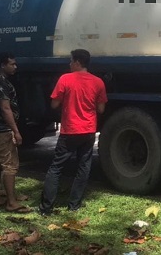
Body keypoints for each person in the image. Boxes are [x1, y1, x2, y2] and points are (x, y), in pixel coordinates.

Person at [39, 49, 107, 215]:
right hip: (88, 130)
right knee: (83, 167)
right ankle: (74, 205)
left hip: (70, 130)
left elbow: (54, 104)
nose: (69, 64)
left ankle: (46, 207)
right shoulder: (98, 82)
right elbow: (101, 109)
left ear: (77, 62)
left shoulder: (65, 79)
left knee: (56, 167)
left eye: (70, 61)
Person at [0, 52, 31, 213]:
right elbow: (6, 109)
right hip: (2, 131)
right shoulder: (2, 84)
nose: (15, 67)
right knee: (10, 165)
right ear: (2, 65)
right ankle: (11, 203)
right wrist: (16, 131)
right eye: (12, 64)